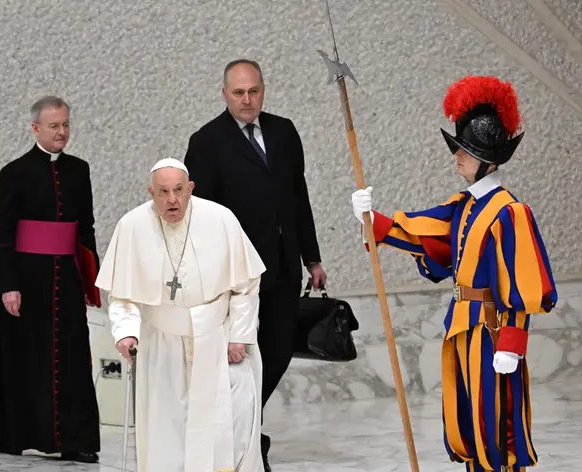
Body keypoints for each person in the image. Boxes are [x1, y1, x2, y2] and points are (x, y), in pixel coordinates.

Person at [350, 75, 558, 472]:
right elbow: (423, 234)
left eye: (467, 150)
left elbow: (523, 287)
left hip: (493, 332)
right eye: (459, 147)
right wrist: (370, 218)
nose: (457, 156)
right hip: (462, 327)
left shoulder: (509, 212)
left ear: (490, 160)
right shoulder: (464, 206)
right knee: (467, 421)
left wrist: (511, 344)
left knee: (497, 425)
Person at [183, 58, 326, 470]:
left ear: (264, 89)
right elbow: (199, 215)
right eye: (239, 93)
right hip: (235, 273)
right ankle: (243, 440)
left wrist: (311, 256)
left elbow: (298, 196)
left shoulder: (284, 131)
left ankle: (245, 426)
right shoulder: (206, 141)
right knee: (240, 356)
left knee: (279, 350)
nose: (247, 100)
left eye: (254, 91)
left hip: (282, 264)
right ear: (224, 93)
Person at [95, 158, 266, 472]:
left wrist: (239, 335)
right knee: (167, 432)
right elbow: (122, 295)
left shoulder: (221, 219)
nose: (171, 200)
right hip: (161, 346)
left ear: (190, 189)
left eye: (178, 191)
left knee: (227, 429)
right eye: (163, 192)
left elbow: (246, 284)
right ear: (151, 192)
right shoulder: (131, 226)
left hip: (217, 340)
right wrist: (126, 332)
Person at [0, 95, 101, 463]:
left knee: (72, 360)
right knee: (24, 360)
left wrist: (91, 279)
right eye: (54, 126)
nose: (62, 132)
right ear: (35, 128)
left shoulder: (79, 169)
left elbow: (85, 229)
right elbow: (2, 234)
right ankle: (14, 433)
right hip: (27, 281)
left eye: (66, 125)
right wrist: (7, 285)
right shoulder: (15, 172)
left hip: (67, 281)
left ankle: (75, 439)